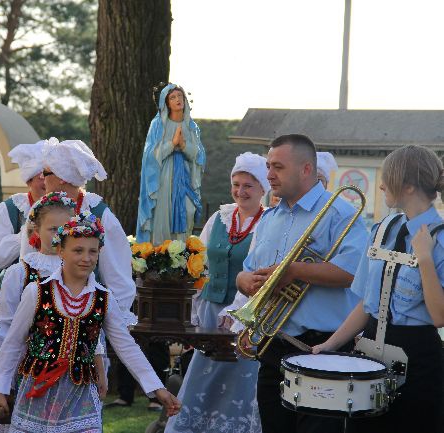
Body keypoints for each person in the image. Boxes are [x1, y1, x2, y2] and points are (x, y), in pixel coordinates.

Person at [0, 213, 181, 432]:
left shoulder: (102, 298)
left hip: (81, 394)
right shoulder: (38, 292)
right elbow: (13, 343)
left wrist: (158, 388)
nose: (86, 258)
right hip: (38, 391)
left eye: (93, 251)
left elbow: (126, 346)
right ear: (61, 251)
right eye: (78, 250)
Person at [236, 134, 368, 433]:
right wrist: (244, 280)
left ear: (306, 169)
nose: (269, 174)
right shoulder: (270, 217)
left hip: (322, 349)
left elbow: (355, 274)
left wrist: (294, 271)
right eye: (269, 166)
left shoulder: (340, 213)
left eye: (278, 167)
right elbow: (247, 270)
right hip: (273, 345)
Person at [313, 145, 444, 433]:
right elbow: (367, 303)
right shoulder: (382, 229)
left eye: (388, 177)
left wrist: (424, 259)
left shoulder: (441, 239)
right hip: (371, 354)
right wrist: (330, 345)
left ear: (408, 186)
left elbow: (439, 316)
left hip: (419, 358)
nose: (381, 184)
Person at [0, 192, 98, 432]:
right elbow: (4, 326)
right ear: (35, 231)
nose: (60, 235)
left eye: (66, 228)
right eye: (53, 229)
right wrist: (4, 377)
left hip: (73, 373)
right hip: (28, 369)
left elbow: (93, 324)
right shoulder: (21, 272)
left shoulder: (83, 272)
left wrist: (99, 364)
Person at [165, 152, 269, 433]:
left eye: (248, 185)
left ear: (263, 188)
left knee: (240, 376)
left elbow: (261, 275)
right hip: (211, 311)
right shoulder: (220, 219)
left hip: (246, 315)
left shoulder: (268, 223)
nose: (240, 191)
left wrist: (236, 313)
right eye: (236, 183)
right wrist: (195, 310)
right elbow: (200, 265)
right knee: (204, 373)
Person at [40, 138, 136, 324]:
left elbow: (119, 281)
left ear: (62, 177)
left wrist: (109, 324)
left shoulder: (100, 215)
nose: (42, 179)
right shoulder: (41, 211)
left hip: (89, 319)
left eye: (45, 173)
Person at [136, 83, 206, 245]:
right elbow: (150, 156)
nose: (177, 100)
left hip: (186, 176)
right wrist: (172, 144)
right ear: (166, 103)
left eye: (180, 96)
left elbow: (199, 156)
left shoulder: (191, 126)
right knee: (163, 214)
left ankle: (180, 251)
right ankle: (161, 253)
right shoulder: (158, 125)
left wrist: (183, 146)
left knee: (188, 209)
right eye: (172, 97)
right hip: (163, 177)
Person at [0, 140, 47, 271]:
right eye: (41, 176)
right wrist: (26, 234)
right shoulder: (10, 209)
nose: (46, 181)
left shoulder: (67, 206)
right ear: (29, 181)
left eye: (49, 175)